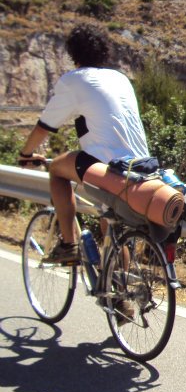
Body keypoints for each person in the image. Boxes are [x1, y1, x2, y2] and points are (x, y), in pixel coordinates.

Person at [18, 23, 151, 264]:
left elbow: (44, 127)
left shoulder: (75, 80)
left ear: (73, 54)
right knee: (110, 220)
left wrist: (26, 153)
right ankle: (119, 282)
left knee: (57, 168)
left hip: (110, 168)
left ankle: (69, 245)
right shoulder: (119, 78)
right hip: (142, 166)